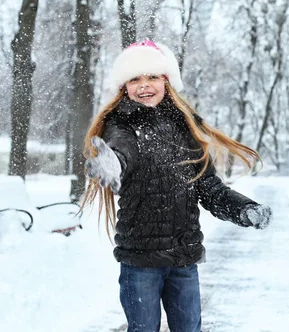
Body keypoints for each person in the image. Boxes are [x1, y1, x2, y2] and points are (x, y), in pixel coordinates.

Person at [80, 40, 272, 332]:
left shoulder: (186, 127)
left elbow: (210, 188)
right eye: (135, 79)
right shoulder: (122, 124)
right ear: (125, 86)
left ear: (166, 80)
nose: (144, 85)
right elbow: (123, 150)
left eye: (152, 76)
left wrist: (243, 209)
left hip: (184, 259)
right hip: (140, 261)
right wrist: (113, 164)